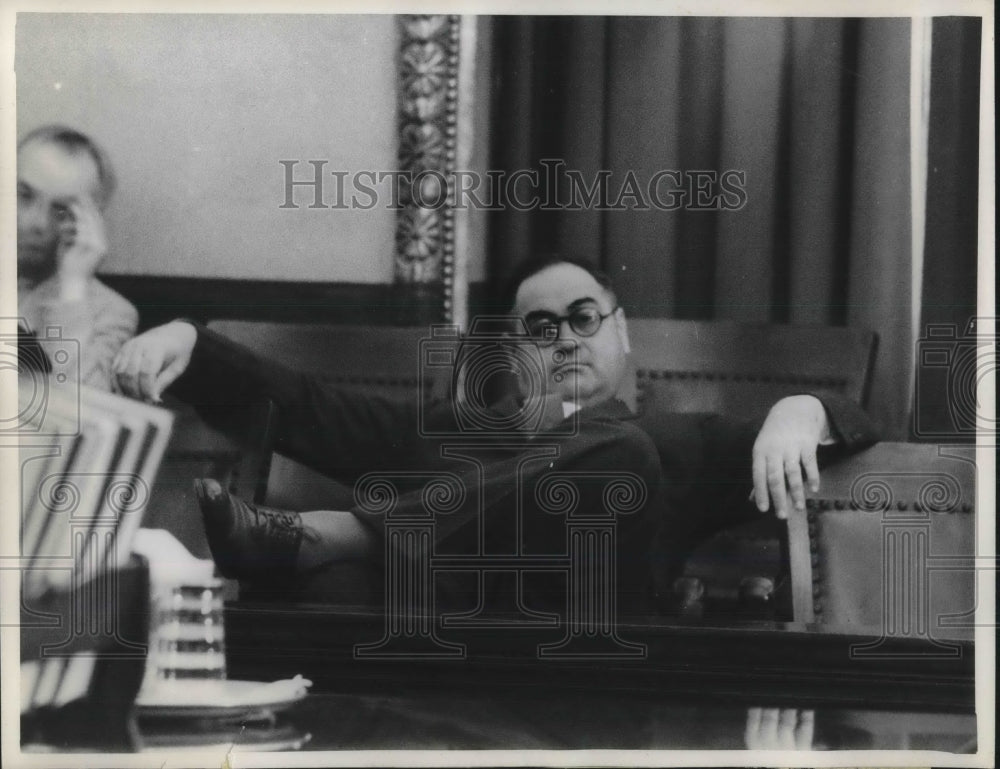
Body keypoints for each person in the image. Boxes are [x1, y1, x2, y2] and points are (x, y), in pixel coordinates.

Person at [112, 256, 879, 613]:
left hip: (599, 647)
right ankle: (338, 552)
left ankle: (336, 532)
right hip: (457, 644)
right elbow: (309, 405)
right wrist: (189, 337)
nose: (566, 339)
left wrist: (801, 409)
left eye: (583, 317)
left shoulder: (681, 439)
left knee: (621, 454)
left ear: (624, 334)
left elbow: (865, 431)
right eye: (540, 329)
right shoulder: (447, 435)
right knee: (334, 593)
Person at [17, 125, 138, 391]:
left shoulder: (110, 313)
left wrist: (72, 290)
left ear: (89, 223)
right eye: (23, 195)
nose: (34, 222)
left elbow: (80, 413)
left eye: (61, 209)